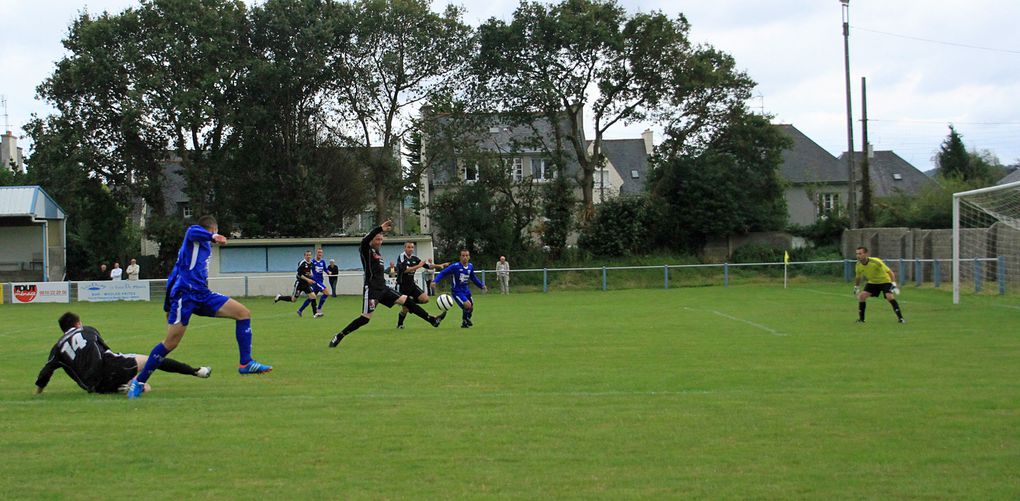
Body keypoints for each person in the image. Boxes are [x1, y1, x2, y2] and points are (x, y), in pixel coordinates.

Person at [126, 215, 272, 399]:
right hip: (185, 296)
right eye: (215, 232)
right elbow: (192, 231)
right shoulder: (194, 236)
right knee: (170, 343)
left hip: (202, 294)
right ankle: (139, 382)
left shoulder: (204, 247)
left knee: (243, 313)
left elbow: (174, 275)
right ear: (212, 230)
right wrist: (212, 237)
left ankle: (246, 363)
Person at [329, 220, 444, 348]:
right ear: (372, 240)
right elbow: (364, 241)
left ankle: (432, 320)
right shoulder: (366, 250)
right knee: (365, 319)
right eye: (377, 239)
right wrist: (380, 228)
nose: (379, 242)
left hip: (383, 288)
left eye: (381, 240)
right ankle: (339, 335)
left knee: (407, 301)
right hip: (372, 289)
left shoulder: (378, 253)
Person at [35, 312, 210, 395]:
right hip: (111, 367)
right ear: (78, 323)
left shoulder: (57, 347)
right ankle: (196, 371)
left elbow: (46, 372)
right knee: (155, 360)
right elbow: (104, 350)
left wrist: (38, 392)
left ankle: (127, 386)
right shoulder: (87, 330)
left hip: (95, 386)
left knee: (145, 387)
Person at [395, 241, 448, 329]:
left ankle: (409, 304)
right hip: (403, 286)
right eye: (408, 247)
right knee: (405, 309)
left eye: (412, 247)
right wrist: (418, 266)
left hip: (412, 285)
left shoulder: (414, 258)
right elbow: (405, 270)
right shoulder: (401, 257)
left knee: (425, 299)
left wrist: (439, 266)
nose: (411, 249)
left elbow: (427, 266)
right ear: (405, 248)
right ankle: (400, 324)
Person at [431, 249, 486, 328]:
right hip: (457, 291)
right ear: (460, 257)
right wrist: (435, 281)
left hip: (466, 290)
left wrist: (481, 285)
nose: (465, 257)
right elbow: (443, 273)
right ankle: (465, 319)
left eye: (467, 255)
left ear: (469, 257)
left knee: (471, 307)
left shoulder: (470, 266)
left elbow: (473, 278)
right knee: (467, 305)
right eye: (463, 255)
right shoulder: (455, 266)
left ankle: (465, 322)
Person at [853, 246, 906, 324]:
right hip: (873, 282)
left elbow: (890, 272)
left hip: (885, 281)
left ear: (866, 254)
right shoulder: (858, 265)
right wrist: (856, 287)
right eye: (857, 254)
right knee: (861, 296)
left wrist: (894, 284)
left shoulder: (876, 262)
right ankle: (861, 320)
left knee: (889, 297)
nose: (858, 255)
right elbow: (858, 277)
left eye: (860, 253)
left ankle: (901, 319)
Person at [274, 250, 323, 318]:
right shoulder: (302, 263)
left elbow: (309, 273)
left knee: (313, 296)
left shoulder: (311, 263)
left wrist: (311, 277)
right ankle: (279, 297)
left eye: (309, 255)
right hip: (299, 284)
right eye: (307, 255)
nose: (308, 256)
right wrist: (308, 279)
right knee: (293, 300)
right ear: (304, 256)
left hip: (306, 284)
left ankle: (315, 314)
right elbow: (299, 274)